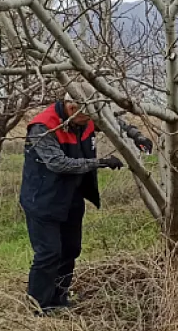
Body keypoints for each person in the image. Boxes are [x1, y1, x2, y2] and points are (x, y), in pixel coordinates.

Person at [20, 94, 152, 314]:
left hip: (71, 196)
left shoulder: (87, 115)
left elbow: (113, 122)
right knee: (49, 253)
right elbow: (58, 163)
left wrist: (136, 136)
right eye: (87, 117)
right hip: (42, 198)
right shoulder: (43, 126)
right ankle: (38, 306)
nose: (91, 122)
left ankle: (59, 299)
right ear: (71, 108)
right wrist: (99, 162)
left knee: (70, 249)